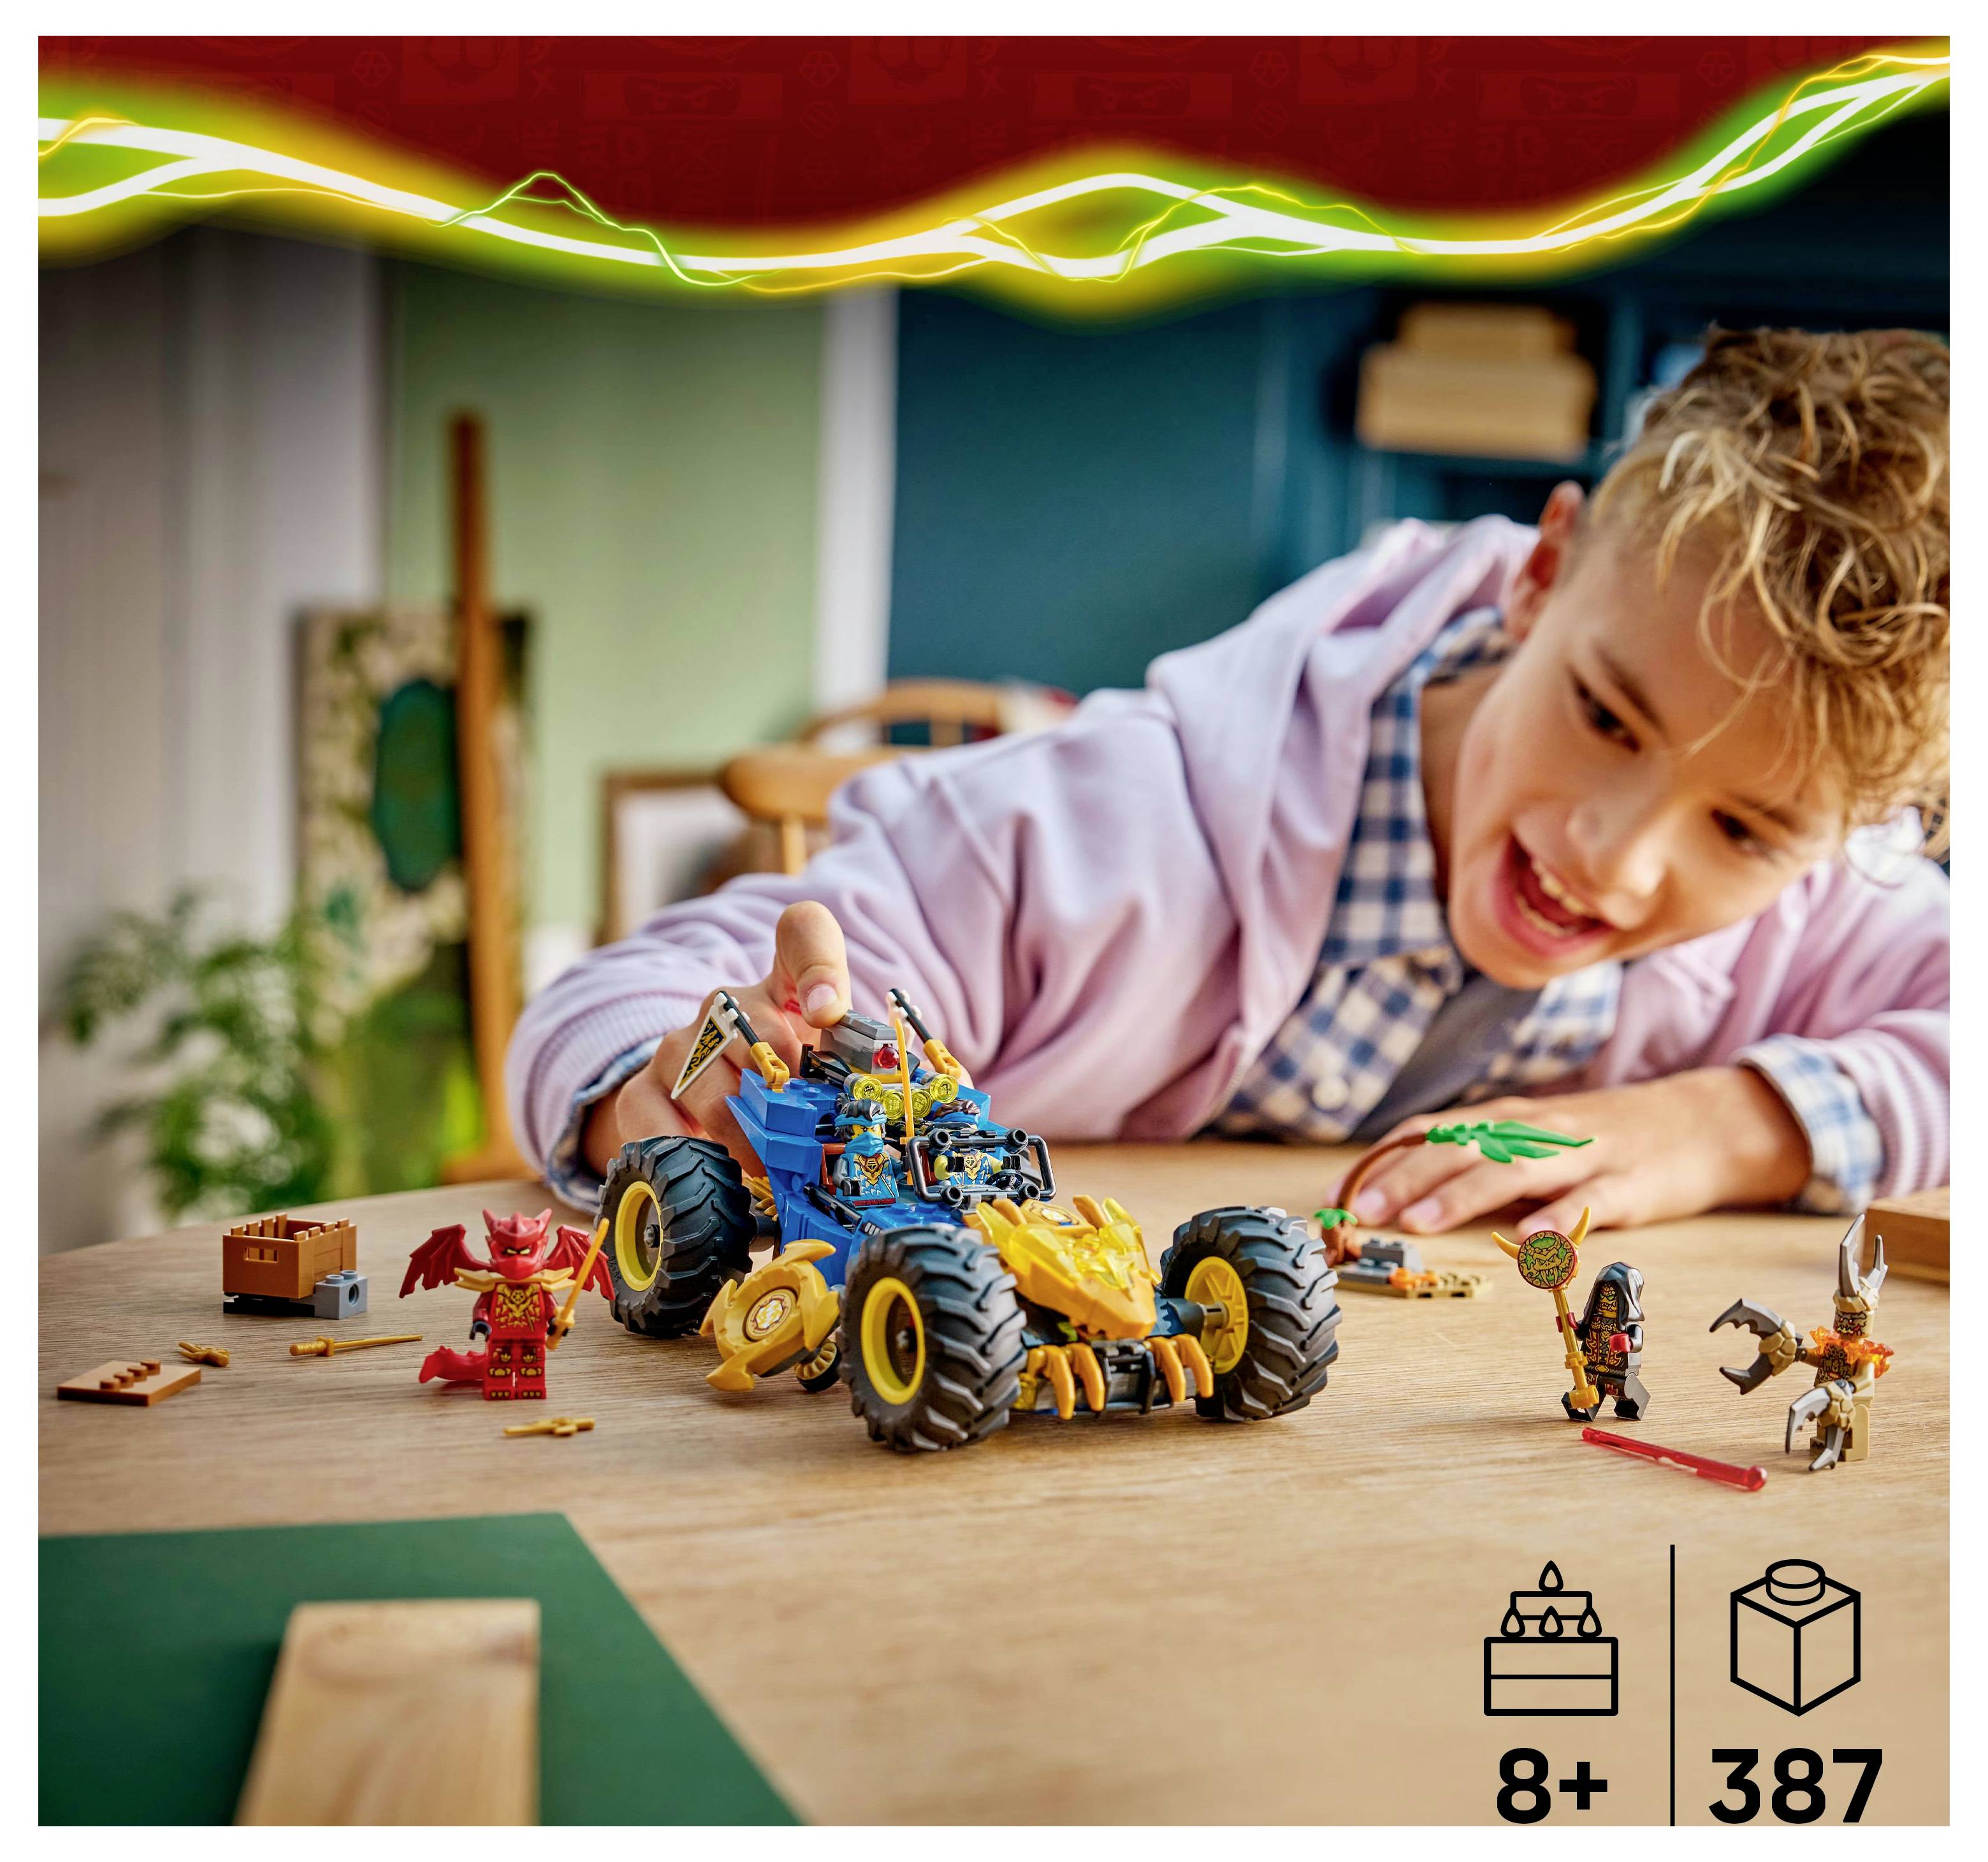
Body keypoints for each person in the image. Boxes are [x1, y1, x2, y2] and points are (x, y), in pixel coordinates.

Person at [510, 328, 1948, 1239]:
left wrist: (1717, 1126)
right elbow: (628, 996)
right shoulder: (1092, 833)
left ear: (1845, 836)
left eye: (1749, 829)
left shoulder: (1809, 921)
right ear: (1543, 574)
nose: (1617, 861)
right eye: (1605, 716)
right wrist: (663, 1088)